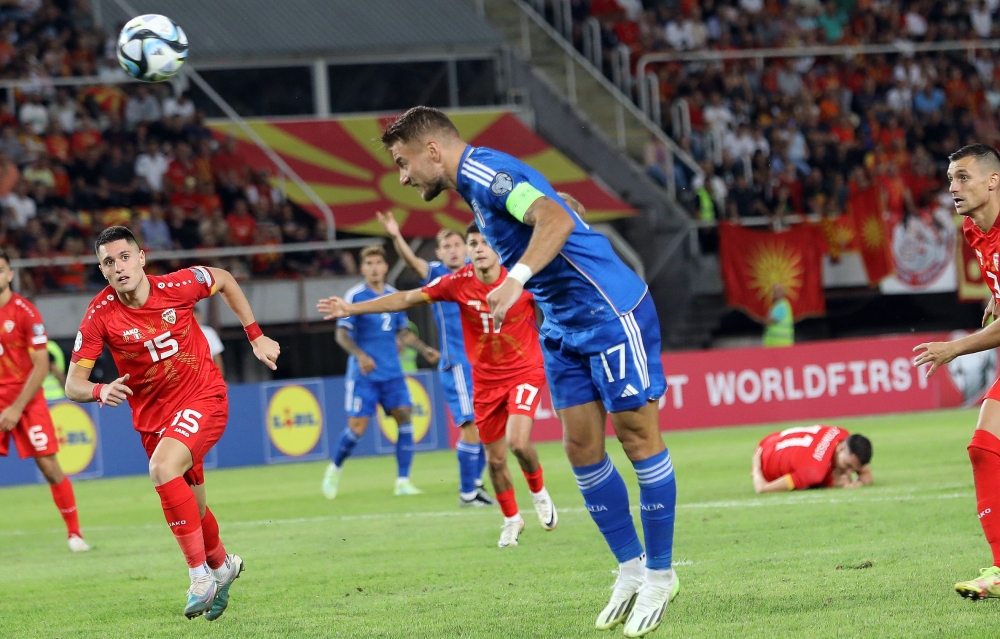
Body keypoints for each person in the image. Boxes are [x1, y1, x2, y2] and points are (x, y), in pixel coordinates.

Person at [380, 106, 675, 638]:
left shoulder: (485, 173)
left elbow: (555, 218)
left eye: (404, 163)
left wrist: (516, 278)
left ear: (432, 151)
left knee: (636, 437)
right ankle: (630, 569)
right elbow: (554, 212)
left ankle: (660, 573)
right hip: (562, 325)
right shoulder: (474, 187)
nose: (403, 177)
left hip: (608, 310)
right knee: (581, 450)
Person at [64, 226, 281, 620]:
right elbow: (73, 384)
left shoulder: (178, 286)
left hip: (204, 397)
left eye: (124, 257)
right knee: (193, 509)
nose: (118, 266)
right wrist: (99, 391)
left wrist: (256, 336)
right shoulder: (100, 315)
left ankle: (199, 576)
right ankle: (221, 566)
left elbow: (226, 280)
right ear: (102, 270)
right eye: (108, 262)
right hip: (154, 420)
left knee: (162, 469)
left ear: (142, 257)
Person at [319, 224, 558, 547]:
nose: (479, 248)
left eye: (485, 242)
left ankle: (538, 491)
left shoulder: (522, 277)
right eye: (473, 243)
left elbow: (559, 300)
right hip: (485, 379)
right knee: (495, 459)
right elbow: (405, 299)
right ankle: (511, 519)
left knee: (517, 442)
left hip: (524, 370)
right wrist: (351, 308)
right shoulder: (456, 283)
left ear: (498, 249)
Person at [913, 143, 1000, 601]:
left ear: (993, 180)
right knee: (984, 448)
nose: (953, 187)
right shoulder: (973, 230)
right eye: (950, 178)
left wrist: (955, 349)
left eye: (964, 177)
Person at [376, 211, 492, 507]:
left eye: (458, 244)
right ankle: (468, 492)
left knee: (488, 426)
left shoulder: (478, 270)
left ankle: (475, 484)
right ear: (439, 254)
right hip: (457, 362)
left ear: (467, 247)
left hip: (484, 362)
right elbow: (415, 263)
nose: (454, 250)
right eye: (447, 247)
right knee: (471, 426)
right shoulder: (437, 274)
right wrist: (396, 236)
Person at [320, 245, 439, 499]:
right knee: (357, 428)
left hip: (392, 374)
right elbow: (341, 334)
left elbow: (402, 332)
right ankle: (335, 468)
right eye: (369, 263)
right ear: (363, 269)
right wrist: (360, 355)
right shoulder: (354, 296)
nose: (374, 268)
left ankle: (403, 481)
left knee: (405, 417)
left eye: (378, 263)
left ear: (385, 266)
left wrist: (424, 349)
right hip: (364, 376)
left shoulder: (395, 295)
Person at [0, 250, 89, 552]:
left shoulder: (25, 312)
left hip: (25, 399)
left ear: (10, 274)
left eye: (0, 270)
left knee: (50, 467)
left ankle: (75, 534)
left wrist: (15, 407)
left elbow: (41, 365)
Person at [751, 425, 873, 493]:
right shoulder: (814, 471)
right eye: (848, 466)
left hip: (774, 437)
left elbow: (866, 473)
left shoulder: (842, 434)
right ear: (841, 448)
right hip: (764, 459)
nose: (849, 473)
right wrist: (756, 469)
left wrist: (856, 483)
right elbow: (762, 488)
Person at [193, 307, 225, 377]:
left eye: (197, 318)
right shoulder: (182, 334)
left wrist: (221, 377)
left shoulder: (210, 332)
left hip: (209, 373)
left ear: (201, 317)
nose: (196, 321)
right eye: (193, 319)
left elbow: (217, 356)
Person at [763, 283, 793, 347]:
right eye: (774, 291)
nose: (775, 293)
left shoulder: (781, 305)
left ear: (783, 292)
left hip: (779, 344)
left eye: (778, 291)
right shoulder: (779, 305)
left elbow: (768, 321)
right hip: (779, 343)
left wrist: (767, 317)